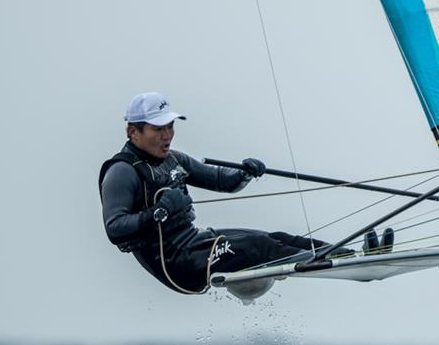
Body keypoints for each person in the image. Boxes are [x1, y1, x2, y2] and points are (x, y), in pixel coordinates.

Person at [99, 92, 393, 294]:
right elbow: (115, 229)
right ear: (133, 132)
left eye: (170, 126)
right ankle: (338, 264)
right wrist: (159, 212)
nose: (168, 134)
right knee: (258, 247)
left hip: (196, 242)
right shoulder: (122, 171)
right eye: (158, 128)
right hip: (177, 264)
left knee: (278, 238)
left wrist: (245, 174)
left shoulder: (173, 158)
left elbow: (223, 182)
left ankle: (353, 256)